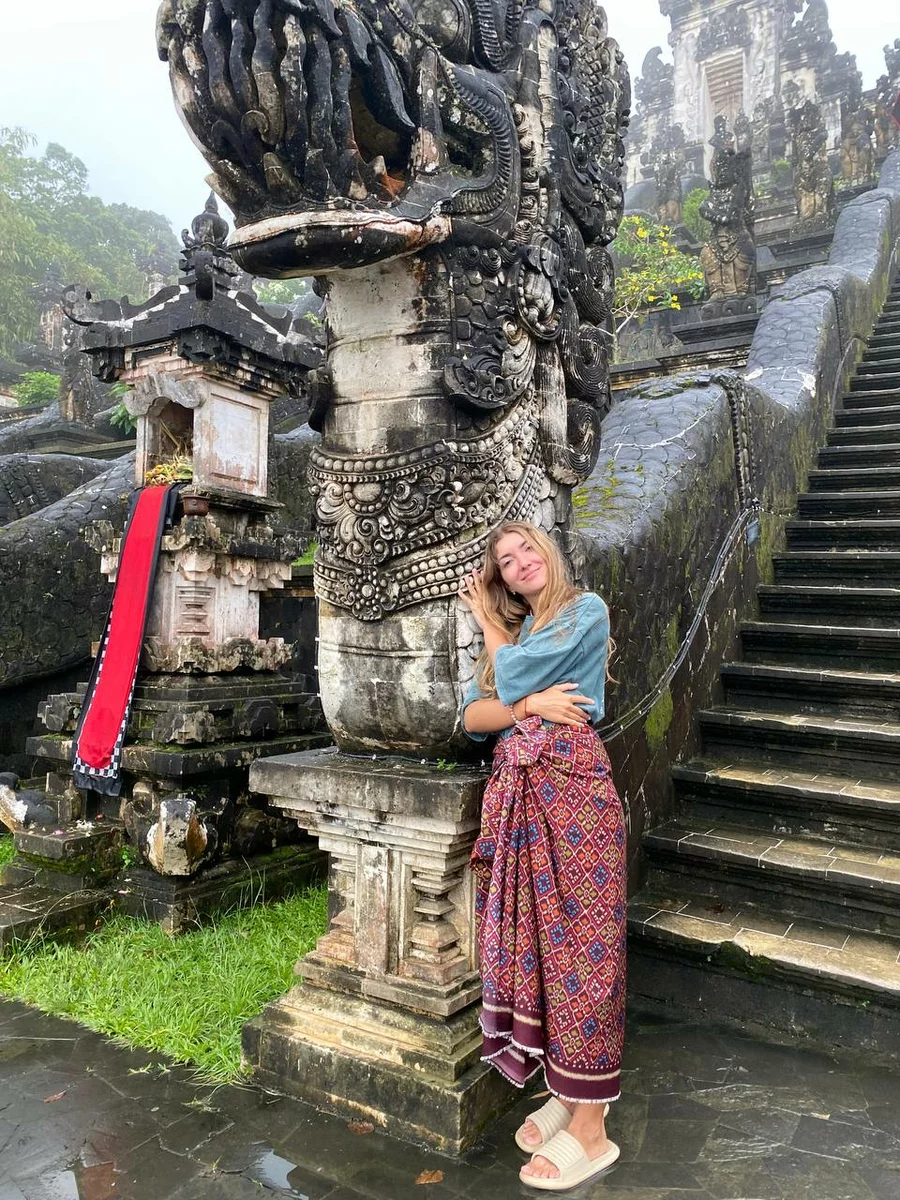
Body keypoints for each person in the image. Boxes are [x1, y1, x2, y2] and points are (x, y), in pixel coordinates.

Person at [459, 520, 626, 1193]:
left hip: (575, 795)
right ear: (501, 581)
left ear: (548, 555)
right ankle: (568, 1089)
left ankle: (593, 1126)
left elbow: (511, 677)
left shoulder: (585, 612)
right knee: (539, 953)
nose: (520, 562)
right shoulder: (523, 636)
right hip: (523, 796)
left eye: (527, 549)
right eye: (505, 560)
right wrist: (527, 703)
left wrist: (504, 664)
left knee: (586, 953)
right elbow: (475, 715)